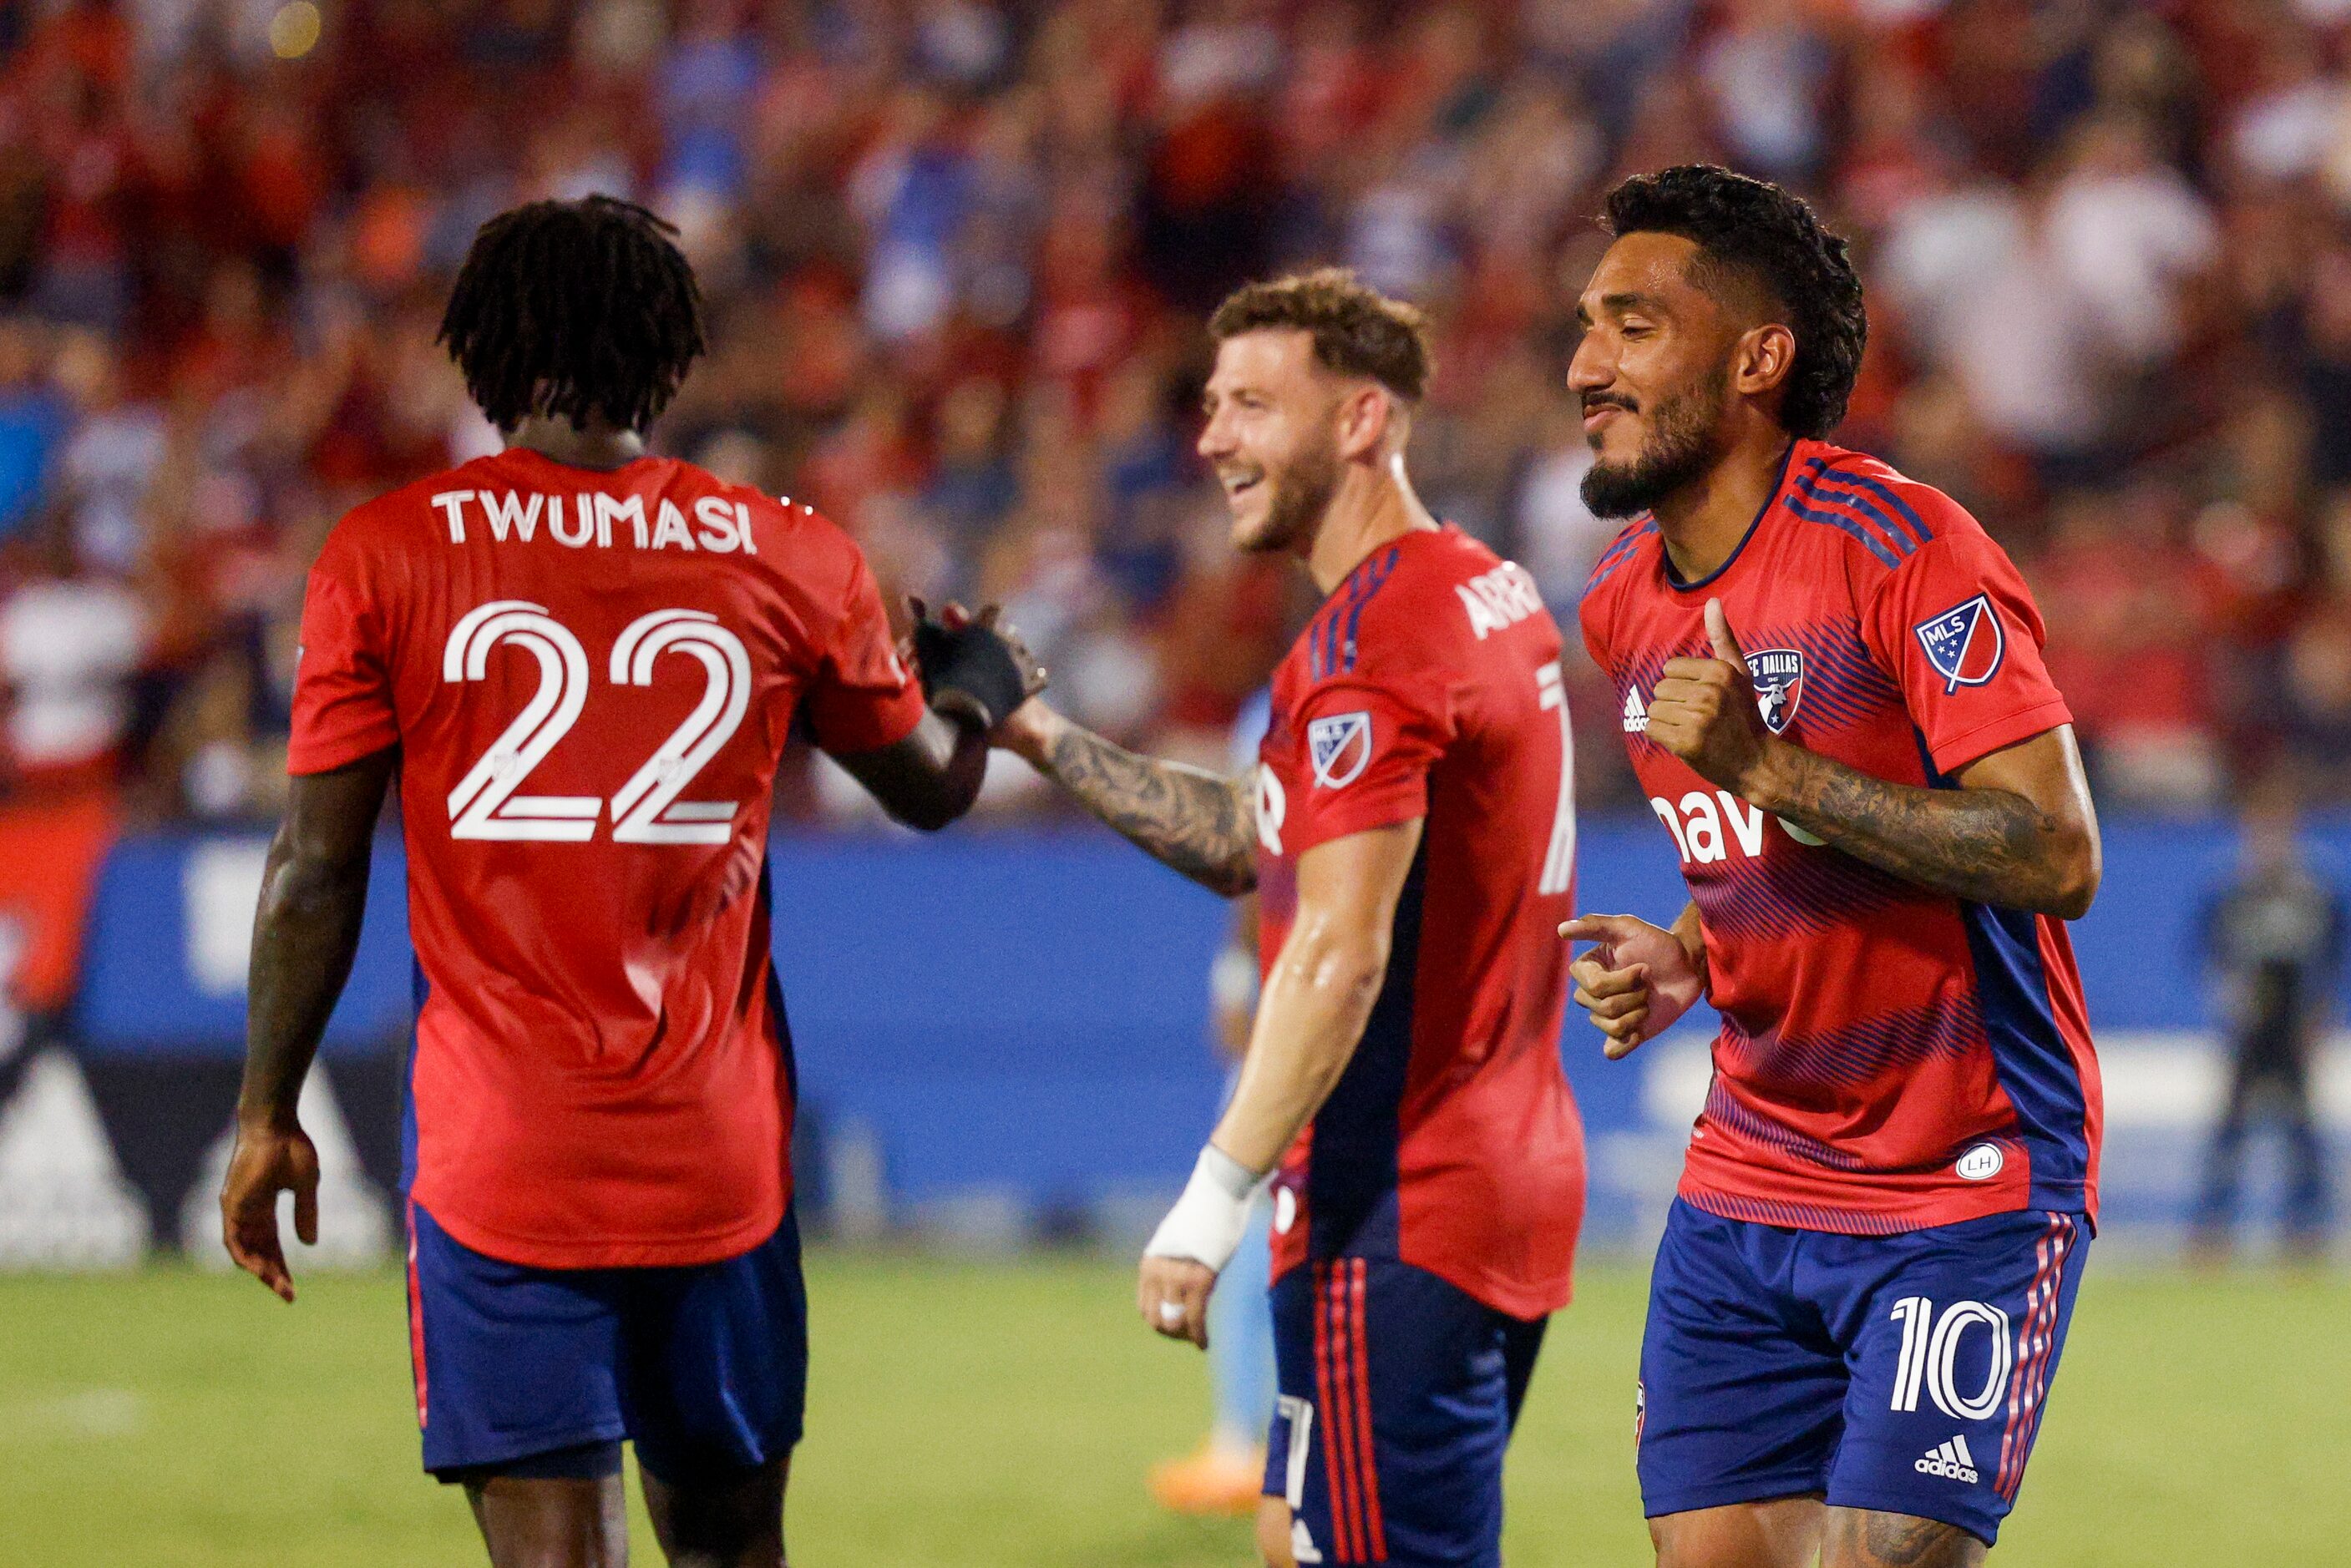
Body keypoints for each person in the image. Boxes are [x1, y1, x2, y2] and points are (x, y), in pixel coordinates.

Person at [216, 195, 1028, 1568]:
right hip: (716, 1153)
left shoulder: (386, 554)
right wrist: (982, 688)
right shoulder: (792, 554)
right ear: (670, 352)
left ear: (483, 350)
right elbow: (933, 791)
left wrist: (265, 1109)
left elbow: (312, 870)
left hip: (501, 1157)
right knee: (731, 1548)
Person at [993, 269, 1586, 1568]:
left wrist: (1208, 1200)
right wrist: (1041, 738)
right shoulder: (1484, 591)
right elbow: (1271, 842)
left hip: (1398, 1197)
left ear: (1361, 419)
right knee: (1291, 1533)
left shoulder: (1367, 645)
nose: (1210, 437)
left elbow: (1337, 944)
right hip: (1510, 1164)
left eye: (1253, 404)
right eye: (1210, 405)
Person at [1564, 165, 2104, 1568]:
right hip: (1750, 1170)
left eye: (1632, 326)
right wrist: (1695, 943)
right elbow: (1767, 848)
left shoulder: (1903, 546)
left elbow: (2053, 848)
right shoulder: (1623, 602)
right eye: (1586, 326)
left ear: (1757, 357)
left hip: (1961, 1173)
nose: (1584, 365)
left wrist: (1779, 768)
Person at [1150, 688, 1278, 1519]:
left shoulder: (1285, 705)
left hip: (1300, 1001)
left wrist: (1235, 978)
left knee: (1248, 1222)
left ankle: (1245, 1441)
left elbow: (1256, 860)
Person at [2190, 776, 2341, 1261]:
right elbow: (2211, 952)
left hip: (2293, 1027)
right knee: (2231, 1130)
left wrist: (2319, 1016)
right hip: (2250, 1027)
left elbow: (2332, 958)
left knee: (2301, 1131)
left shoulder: (2313, 891)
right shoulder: (2234, 891)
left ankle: (2307, 1226)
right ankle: (2213, 1229)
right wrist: (2229, 1000)